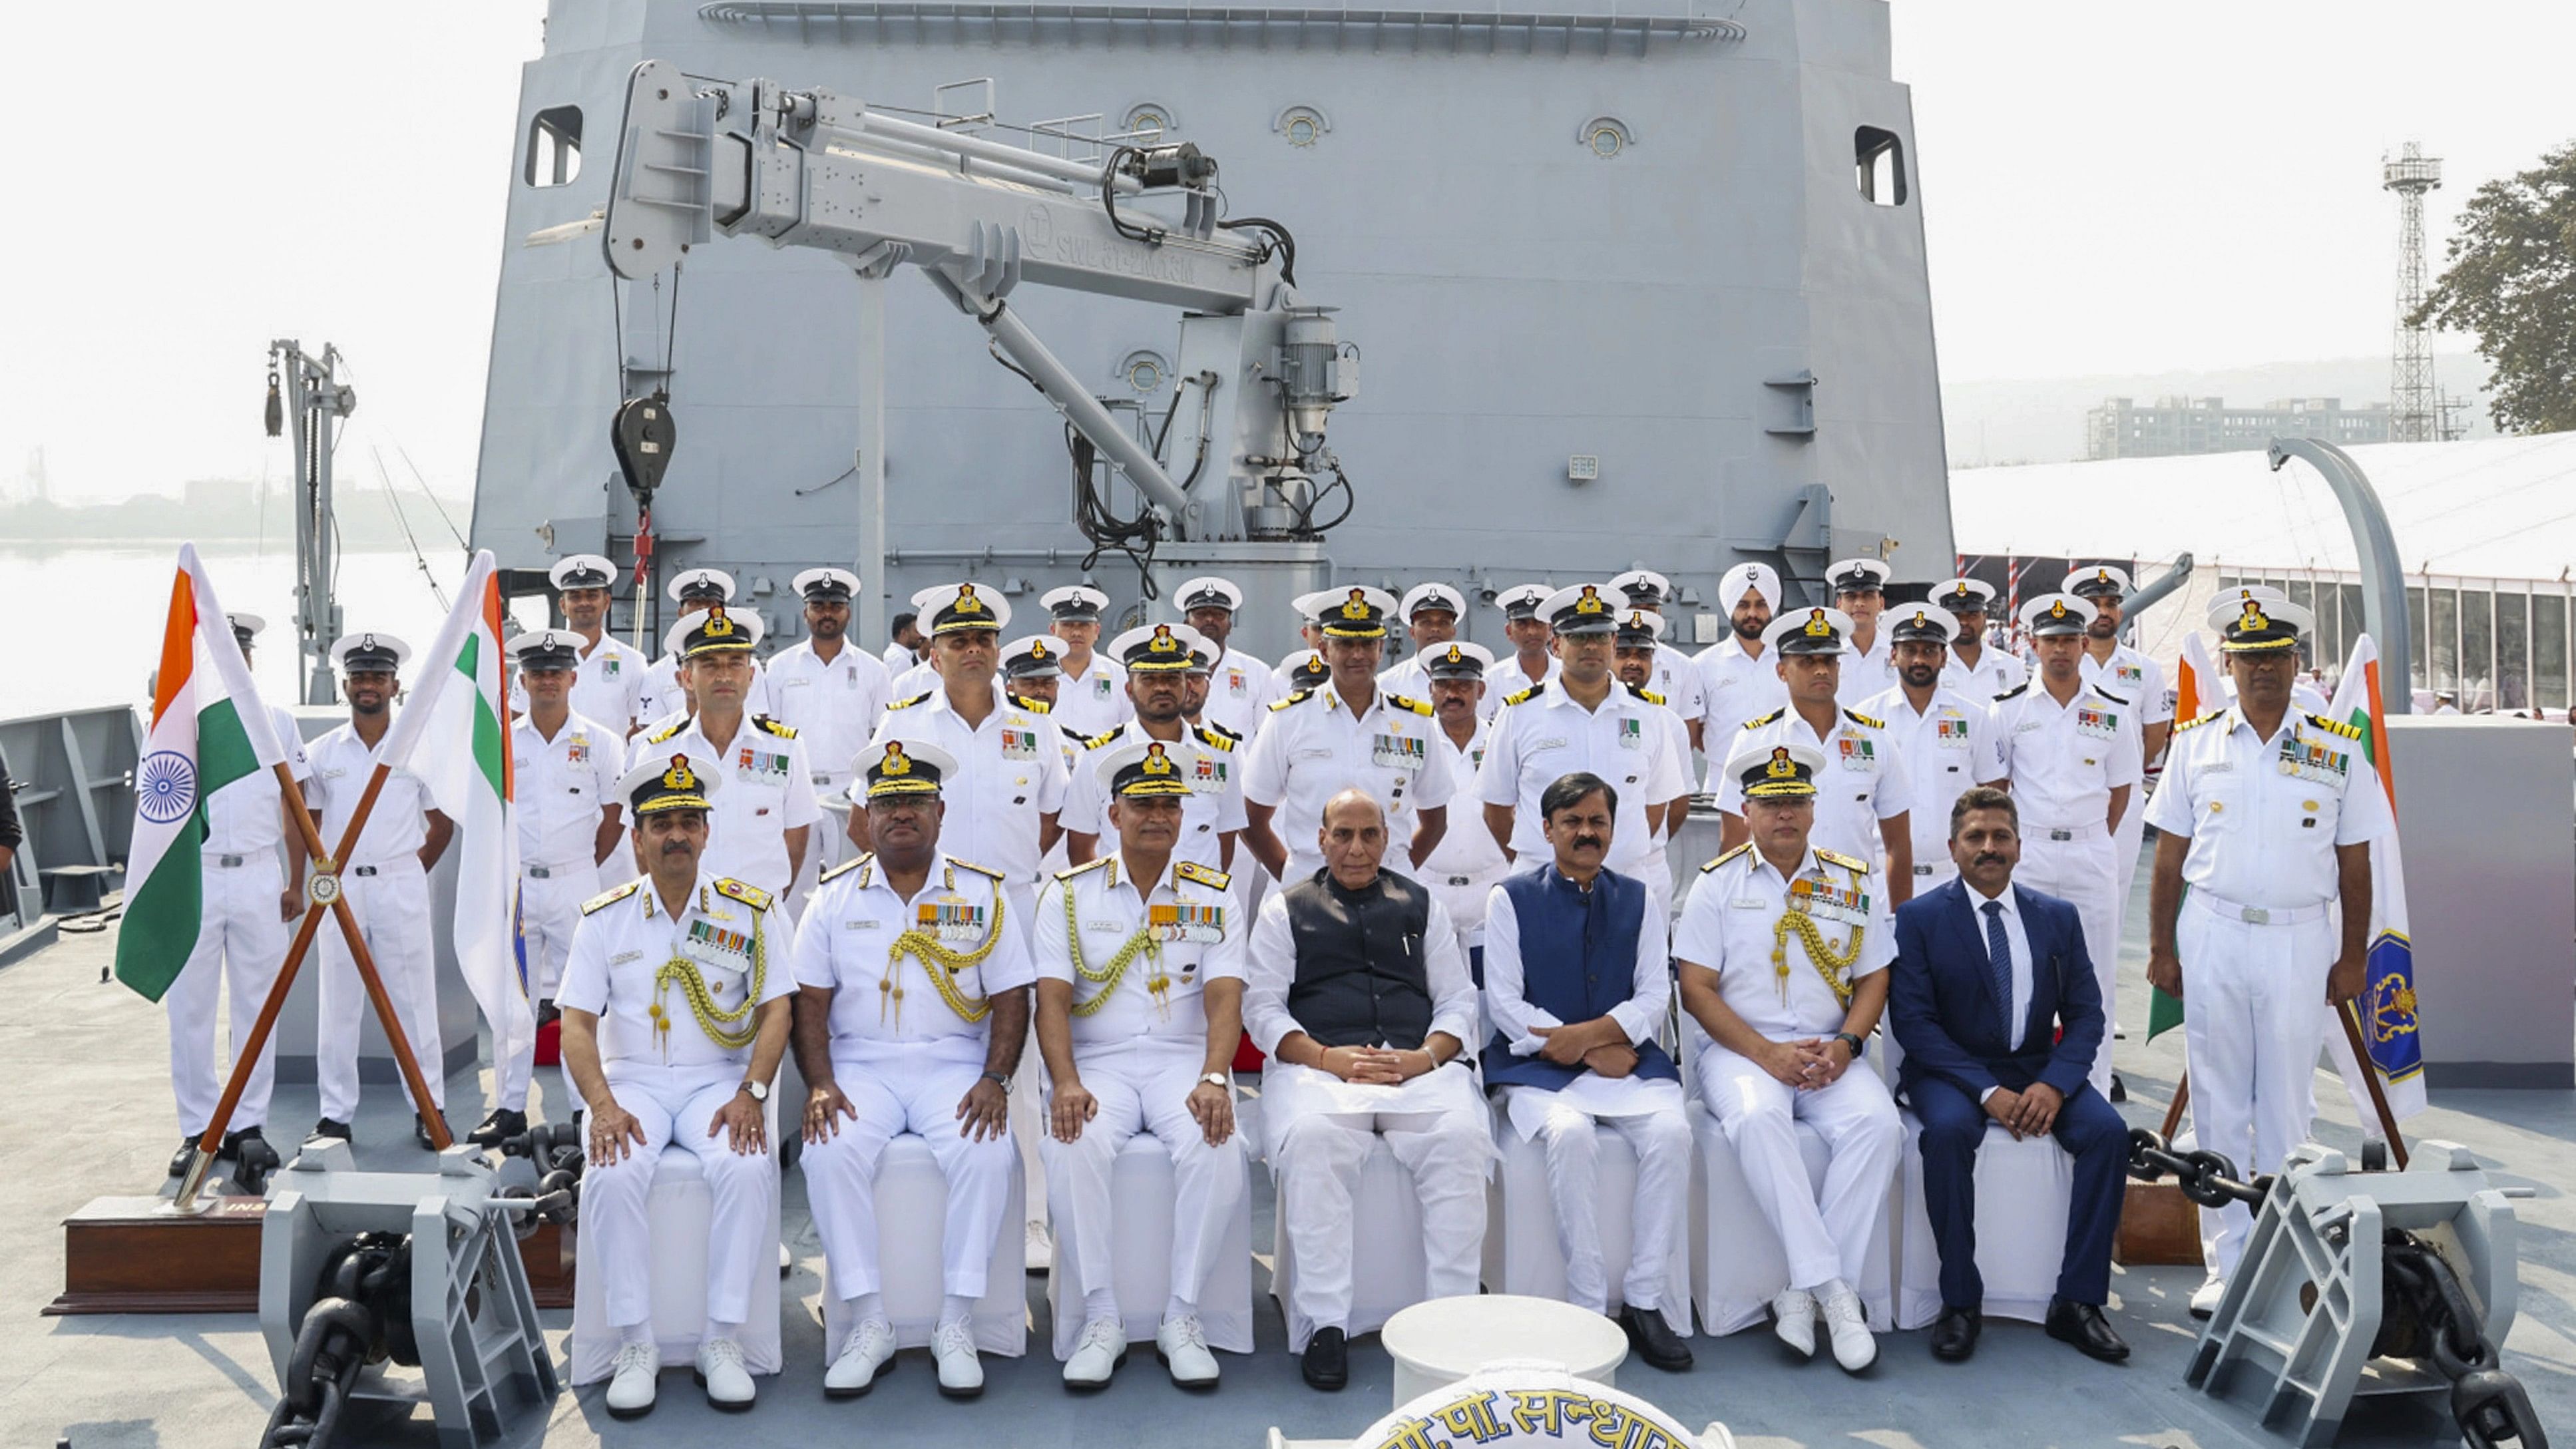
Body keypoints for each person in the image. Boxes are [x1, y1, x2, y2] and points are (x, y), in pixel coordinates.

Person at [2147, 594, 2390, 1317]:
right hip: (2214, 931)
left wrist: (2353, 958)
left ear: (2295, 663)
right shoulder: (2196, 744)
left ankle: (2286, 1259)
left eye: (2275, 657)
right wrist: (2161, 947)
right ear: (2231, 664)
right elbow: (2169, 860)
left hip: (2298, 937)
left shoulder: (2334, 746)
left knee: (2287, 1103)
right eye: (2248, 658)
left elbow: (2355, 864)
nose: (2262, 670)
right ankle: (2228, 1262)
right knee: (2219, 1100)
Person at [559, 749, 793, 1416]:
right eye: (662, 822)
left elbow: (778, 1006)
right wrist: (601, 1105)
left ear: (707, 831)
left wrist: (752, 1091)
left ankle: (722, 1337)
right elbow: (576, 1023)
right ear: (637, 837)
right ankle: (637, 1341)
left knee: (748, 1169)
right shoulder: (603, 919)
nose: (677, 835)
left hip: (716, 1082)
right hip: (631, 1083)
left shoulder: (748, 911)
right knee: (610, 1172)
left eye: (690, 820)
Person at [795, 740, 1030, 1398]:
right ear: (865, 817)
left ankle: (956, 1320)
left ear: (940, 810)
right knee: (828, 1150)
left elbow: (1013, 994)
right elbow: (809, 1002)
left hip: (952, 1062)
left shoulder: (981, 894)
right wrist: (820, 1082)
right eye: (888, 802)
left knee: (987, 1153)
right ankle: (868, 1321)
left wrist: (996, 1078)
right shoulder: (833, 898)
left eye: (915, 801)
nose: (902, 812)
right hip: (860, 1064)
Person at [1245, 789, 1490, 1390]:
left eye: (1370, 835)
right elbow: (1263, 1005)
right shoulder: (1286, 909)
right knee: (1311, 1142)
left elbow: (1458, 999)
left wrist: (1424, 1058)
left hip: (1414, 1070)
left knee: (1461, 1137)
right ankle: (1326, 1323)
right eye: (1343, 835)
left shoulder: (1420, 904)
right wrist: (1325, 1056)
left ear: (1388, 838)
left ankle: (1452, 1317)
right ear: (1321, 839)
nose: (1357, 848)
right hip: (1320, 1072)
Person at [1676, 740, 1902, 1373]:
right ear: (1745, 810)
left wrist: (1848, 1045)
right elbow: (1696, 988)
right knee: (1756, 1119)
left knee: (1879, 1127)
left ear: (1812, 807)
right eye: (1770, 804)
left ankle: (1802, 1293)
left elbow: (1874, 977)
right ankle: (1837, 1291)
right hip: (1741, 1052)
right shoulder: (1717, 885)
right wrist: (1766, 1054)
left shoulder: (1849, 880)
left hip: (1831, 1054)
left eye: (1796, 801)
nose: (1785, 815)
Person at [1034, 740, 1249, 1388]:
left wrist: (1215, 1076)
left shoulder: (1213, 894)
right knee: (1074, 1144)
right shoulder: (1069, 896)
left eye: (1169, 805)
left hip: (1182, 1059)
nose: (1157, 815)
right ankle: (1102, 1313)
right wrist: (1065, 1080)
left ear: (1183, 816)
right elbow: (1052, 999)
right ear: (1113, 812)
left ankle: (1182, 1314)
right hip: (1099, 1063)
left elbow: (1224, 995)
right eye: (1142, 803)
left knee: (1218, 1146)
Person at [1888, 787, 2129, 1364]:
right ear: (1953, 848)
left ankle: (2078, 1300)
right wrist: (1987, 1091)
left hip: (2038, 1068)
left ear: (2020, 846)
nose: (1988, 847)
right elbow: (1915, 1024)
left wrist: (2055, 1084)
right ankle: (1960, 1301)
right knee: (1945, 1136)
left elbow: (2086, 1013)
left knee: (2109, 1134)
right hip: (1949, 1072)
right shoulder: (1919, 919)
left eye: (2000, 836)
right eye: (1975, 837)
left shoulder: (2057, 917)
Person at [869, 583, 1068, 1269]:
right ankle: (933, 1215)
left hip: (1013, 906)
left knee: (1029, 1068)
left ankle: (1034, 1217)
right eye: (958, 640)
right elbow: (877, 818)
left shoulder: (1036, 726)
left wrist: (1001, 882)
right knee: (929, 1055)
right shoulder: (902, 724)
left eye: (984, 639)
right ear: (934, 651)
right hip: (930, 915)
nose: (974, 650)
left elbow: (1050, 817)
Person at [1480, 771, 1693, 1370]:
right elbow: (1506, 1003)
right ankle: (1588, 1302)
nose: (1586, 832)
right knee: (1570, 1134)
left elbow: (1654, 994)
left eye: (1597, 821)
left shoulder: (1640, 898)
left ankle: (1646, 1299)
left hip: (1626, 1060)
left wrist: (1598, 1040)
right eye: (1572, 821)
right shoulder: (1510, 898)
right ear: (1546, 829)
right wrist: (1584, 1047)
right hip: (1536, 1067)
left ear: (1612, 828)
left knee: (1673, 1134)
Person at [164, 612, 311, 1179]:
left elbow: (293, 806)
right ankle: (198, 1127)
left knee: (259, 1004)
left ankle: (247, 1123)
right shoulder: (180, 726)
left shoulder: (275, 722)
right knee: (192, 1007)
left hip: (255, 874)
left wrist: (294, 880)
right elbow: (157, 812)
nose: (230, 661)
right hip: (196, 877)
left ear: (250, 658)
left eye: (238, 651)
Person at [308, 633, 455, 1147]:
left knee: (414, 1002)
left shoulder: (419, 749)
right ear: (346, 684)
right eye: (360, 676)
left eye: (378, 676)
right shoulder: (320, 754)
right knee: (339, 1003)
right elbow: (310, 825)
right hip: (341, 889)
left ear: (395, 684)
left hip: (398, 882)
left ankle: (427, 1105)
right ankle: (334, 1115)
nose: (368, 685)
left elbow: (441, 826)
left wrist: (408, 872)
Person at [1991, 593, 2140, 1098]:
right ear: (2033, 645)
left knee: (2094, 977)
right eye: (2050, 641)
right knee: (2020, 973)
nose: (2060, 651)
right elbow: (1997, 789)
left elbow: (2121, 790)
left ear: (2083, 644)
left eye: (2069, 641)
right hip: (2028, 854)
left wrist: (2089, 832)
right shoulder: (2008, 710)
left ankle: (2091, 1089)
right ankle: (2023, 1081)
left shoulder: (2112, 711)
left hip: (2089, 852)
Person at [482, 628, 626, 1145]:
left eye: (555, 672)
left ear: (573, 677)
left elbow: (614, 817)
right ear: (522, 681)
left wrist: (582, 864)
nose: (547, 681)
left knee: (582, 999)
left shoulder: (602, 743)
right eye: (537, 673)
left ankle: (583, 1106)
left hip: (575, 882)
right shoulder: (502, 744)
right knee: (514, 998)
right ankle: (509, 1106)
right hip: (520, 886)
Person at [1479, 585, 1688, 921]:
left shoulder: (1649, 715)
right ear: (1557, 645)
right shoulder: (1519, 715)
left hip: (1624, 887)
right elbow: (1496, 808)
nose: (1591, 646)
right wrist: (1539, 857)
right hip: (1543, 888)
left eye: (1601, 636)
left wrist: (1617, 852)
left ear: (1614, 643)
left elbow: (1657, 804)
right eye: (1578, 637)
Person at [1241, 586, 1454, 886]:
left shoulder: (1414, 723)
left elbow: (1435, 821)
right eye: (1345, 644)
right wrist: (1295, 881)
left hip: (1389, 888)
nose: (1358, 655)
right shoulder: (1288, 720)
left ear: (1381, 649)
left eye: (1367, 645)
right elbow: (1252, 819)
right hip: (1312, 886)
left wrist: (1395, 874)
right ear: (1324, 650)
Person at [1717, 606, 1916, 905]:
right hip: (1775, 905)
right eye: (1807, 662)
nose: (1821, 670)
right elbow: (1733, 842)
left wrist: (1902, 921)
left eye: (1828, 661)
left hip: (1853, 907)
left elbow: (1898, 845)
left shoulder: (1875, 740)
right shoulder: (1755, 741)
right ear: (1781, 671)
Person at [635, 606, 817, 912]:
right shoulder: (657, 751)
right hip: (686, 912)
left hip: (760, 914)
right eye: (709, 665)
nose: (724, 675)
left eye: (735, 664)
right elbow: (641, 837)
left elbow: (797, 831)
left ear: (750, 676)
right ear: (686, 678)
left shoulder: (785, 748)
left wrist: (770, 898)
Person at [1062, 624, 1244, 873]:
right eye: (1149, 679)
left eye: (1171, 678)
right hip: (1121, 906)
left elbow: (1225, 840)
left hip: (1192, 906)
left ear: (1187, 686)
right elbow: (1081, 847)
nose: (1162, 688)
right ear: (1129, 690)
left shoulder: (1221, 756)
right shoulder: (1096, 757)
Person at [767, 566, 896, 907]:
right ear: (805, 612)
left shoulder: (874, 670)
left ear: (847, 612)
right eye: (819, 605)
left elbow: (883, 737)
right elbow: (771, 735)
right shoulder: (780, 668)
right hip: (797, 791)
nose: (827, 613)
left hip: (848, 794)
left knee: (854, 888)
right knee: (792, 890)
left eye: (835, 606)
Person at [1857, 605, 2007, 895]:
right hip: (1880, 878)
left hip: (1953, 876)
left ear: (1944, 657)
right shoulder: (1866, 721)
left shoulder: (1973, 718)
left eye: (1929, 651)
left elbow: (1994, 792)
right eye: (1909, 650)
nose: (1919, 660)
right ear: (1892, 656)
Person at [2066, 566, 2173, 946]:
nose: (2104, 611)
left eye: (2111, 603)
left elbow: (2156, 731)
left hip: (2123, 800)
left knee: (2112, 900)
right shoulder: (2059, 662)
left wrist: (2123, 773)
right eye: (2094, 604)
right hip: (2067, 796)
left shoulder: (2144, 670)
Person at [1414, 642, 1510, 967]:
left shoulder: (1501, 741)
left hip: (1489, 889)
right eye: (1443, 685)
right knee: (1433, 994)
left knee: (1491, 999)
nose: (1452, 694)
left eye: (1463, 686)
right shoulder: (1414, 742)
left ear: (1481, 690)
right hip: (1429, 887)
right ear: (1431, 690)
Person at [1610, 608, 1697, 913]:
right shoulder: (1587, 718)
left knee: (1650, 958)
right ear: (1609, 652)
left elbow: (1679, 803)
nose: (1634, 662)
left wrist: (1643, 846)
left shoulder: (1668, 723)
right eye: (1623, 653)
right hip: (1589, 864)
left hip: (1649, 866)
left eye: (1643, 654)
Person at [637, 568, 774, 727]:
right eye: (694, 602)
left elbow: (757, 719)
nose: (702, 608)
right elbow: (651, 728)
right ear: (681, 612)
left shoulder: (749, 667)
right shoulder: (657, 674)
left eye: (710, 603)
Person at [1608, 569, 1711, 753]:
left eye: (1650, 610)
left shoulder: (1683, 666)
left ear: (1660, 613)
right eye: (1635, 610)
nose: (1641, 617)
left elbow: (1688, 734)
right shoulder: (1602, 664)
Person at [543, 554, 648, 735]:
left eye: (592, 596)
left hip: (609, 762)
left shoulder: (632, 662)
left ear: (606, 602)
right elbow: (517, 719)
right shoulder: (541, 661)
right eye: (575, 597)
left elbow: (640, 724)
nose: (584, 603)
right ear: (563, 605)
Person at [1176, 575, 1278, 740]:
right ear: (1186, 624)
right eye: (1201, 614)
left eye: (1219, 614)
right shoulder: (1171, 672)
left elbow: (1269, 736)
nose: (1210, 619)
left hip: (1239, 765)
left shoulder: (1257, 672)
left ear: (1230, 626)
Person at [1694, 560, 1789, 737]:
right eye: (1743, 605)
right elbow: (1695, 729)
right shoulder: (1703, 665)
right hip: (1724, 765)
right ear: (1731, 608)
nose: (1752, 613)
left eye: (1761, 605)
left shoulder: (1791, 661)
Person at [1041, 584, 1132, 741]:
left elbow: (1130, 731)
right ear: (1052, 630)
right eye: (1067, 625)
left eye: (1084, 625)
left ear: (1097, 631)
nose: (1076, 632)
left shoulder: (1120, 677)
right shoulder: (1036, 679)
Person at [1928, 578, 2026, 701]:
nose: (1964, 622)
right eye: (1956, 615)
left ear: (1985, 617)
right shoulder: (1930, 668)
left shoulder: (2012, 667)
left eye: (1972, 615)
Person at [1377, 582, 1467, 701]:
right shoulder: (1389, 682)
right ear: (1412, 632)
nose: (1435, 629)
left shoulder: (1470, 682)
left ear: (1453, 632)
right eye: (1426, 623)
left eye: (1443, 623)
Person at [1825, 558, 1898, 706]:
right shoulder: (1827, 653)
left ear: (1881, 603)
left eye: (1868, 595)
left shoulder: (1898, 652)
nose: (1859, 603)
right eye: (1851, 596)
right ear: (1839, 604)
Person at [1482, 584, 1559, 722]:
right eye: (1522, 624)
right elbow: (1481, 728)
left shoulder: (1569, 674)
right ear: (1509, 632)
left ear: (1550, 630)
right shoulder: (1492, 680)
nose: (1531, 631)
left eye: (1538, 623)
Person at [882, 610, 926, 677]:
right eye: (917, 632)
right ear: (904, 633)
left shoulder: (902, 656)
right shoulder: (900, 659)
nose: (922, 636)